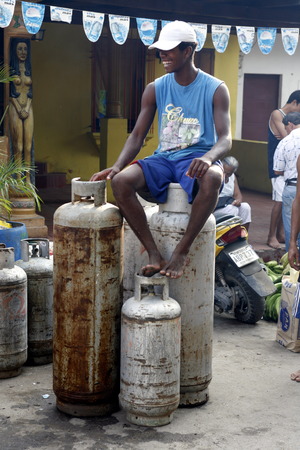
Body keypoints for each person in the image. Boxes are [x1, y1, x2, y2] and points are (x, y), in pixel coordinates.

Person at [90, 20, 232, 279]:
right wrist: (118, 165)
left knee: (212, 176)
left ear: (188, 51)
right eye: (160, 51)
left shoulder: (215, 88)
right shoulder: (155, 87)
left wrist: (208, 157)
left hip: (196, 157)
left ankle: (181, 251)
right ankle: (154, 253)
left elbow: (225, 139)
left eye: (169, 50)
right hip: (164, 158)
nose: (162, 55)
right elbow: (137, 135)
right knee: (121, 182)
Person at [267, 90, 300, 249]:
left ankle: (281, 234)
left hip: (287, 168)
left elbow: (287, 137)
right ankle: (271, 236)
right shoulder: (277, 114)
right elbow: (286, 136)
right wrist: (288, 135)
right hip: (279, 168)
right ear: (294, 102)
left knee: (287, 208)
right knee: (279, 202)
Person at [273, 111, 300, 251]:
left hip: (292, 186)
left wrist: (291, 170)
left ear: (290, 125)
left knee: (291, 228)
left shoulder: (285, 141)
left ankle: (293, 263)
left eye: (285, 128)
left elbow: (277, 170)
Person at [8, 38, 33, 182]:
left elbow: (31, 92)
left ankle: (28, 179)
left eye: (25, 49)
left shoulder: (29, 68)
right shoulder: (11, 69)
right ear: (14, 51)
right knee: (18, 146)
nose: (23, 52)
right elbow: (10, 94)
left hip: (28, 107)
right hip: (15, 107)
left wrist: (27, 108)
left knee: (28, 147)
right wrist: (19, 109)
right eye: (19, 49)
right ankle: (18, 179)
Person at [213, 156, 251, 230]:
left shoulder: (232, 177)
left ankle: (243, 236)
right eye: (224, 172)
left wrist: (238, 201)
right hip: (216, 208)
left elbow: (237, 195)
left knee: (246, 207)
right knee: (233, 209)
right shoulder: (215, 175)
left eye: (228, 173)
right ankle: (228, 237)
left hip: (229, 203)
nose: (225, 175)